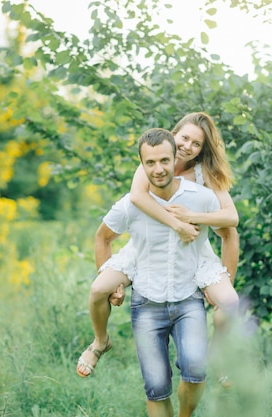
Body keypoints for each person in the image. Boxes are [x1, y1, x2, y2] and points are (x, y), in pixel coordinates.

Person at [76, 112, 240, 385]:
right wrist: (177, 224)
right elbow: (137, 197)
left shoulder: (204, 177)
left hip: (190, 254)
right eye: (184, 138)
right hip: (147, 247)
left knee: (229, 304)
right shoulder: (153, 162)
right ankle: (100, 342)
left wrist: (192, 217)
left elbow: (230, 222)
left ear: (202, 150)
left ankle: (217, 355)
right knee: (98, 289)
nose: (187, 146)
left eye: (196, 144)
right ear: (174, 135)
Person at [93, 127, 219, 417]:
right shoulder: (130, 204)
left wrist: (220, 278)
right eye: (150, 162)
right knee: (156, 387)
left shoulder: (201, 198)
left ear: (175, 159)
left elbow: (228, 231)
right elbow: (102, 238)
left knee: (196, 372)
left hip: (189, 300)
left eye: (164, 161)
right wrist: (111, 281)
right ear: (141, 163)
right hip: (146, 304)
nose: (159, 169)